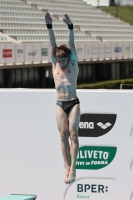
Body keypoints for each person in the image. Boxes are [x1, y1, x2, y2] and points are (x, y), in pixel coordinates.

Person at [45, 12, 80, 184]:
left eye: (65, 59)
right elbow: (52, 44)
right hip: (60, 104)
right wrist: (49, 26)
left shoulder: (73, 64)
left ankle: (73, 169)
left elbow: (71, 43)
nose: (62, 62)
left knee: (73, 134)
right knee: (62, 135)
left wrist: (70, 26)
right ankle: (67, 167)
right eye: (60, 59)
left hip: (73, 103)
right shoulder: (55, 65)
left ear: (69, 58)